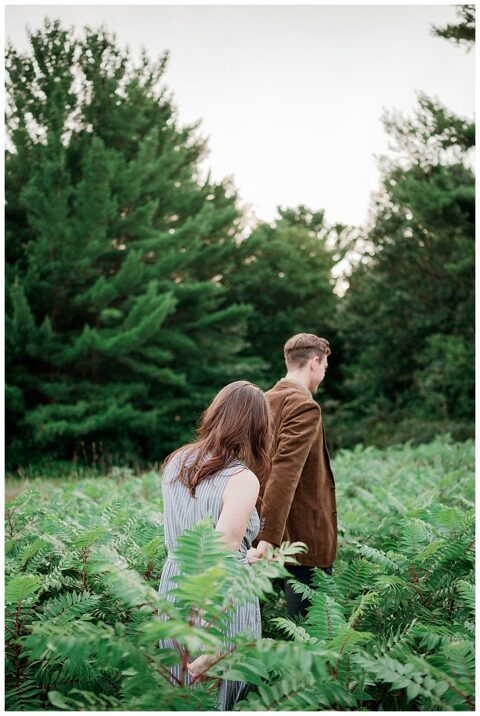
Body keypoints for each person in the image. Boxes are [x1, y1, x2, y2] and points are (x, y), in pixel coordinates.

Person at [158, 380, 272, 711]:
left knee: (181, 696)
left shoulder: (176, 462)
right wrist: (213, 639)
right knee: (226, 702)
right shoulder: (242, 478)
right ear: (257, 426)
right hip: (220, 605)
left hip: (175, 588)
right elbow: (219, 555)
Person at [252, 333, 337, 619]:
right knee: (310, 637)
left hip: (257, 535)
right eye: (324, 366)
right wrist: (269, 535)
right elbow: (284, 470)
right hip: (303, 540)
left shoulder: (261, 402)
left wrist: (259, 533)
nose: (323, 373)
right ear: (314, 362)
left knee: (251, 628)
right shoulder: (304, 406)